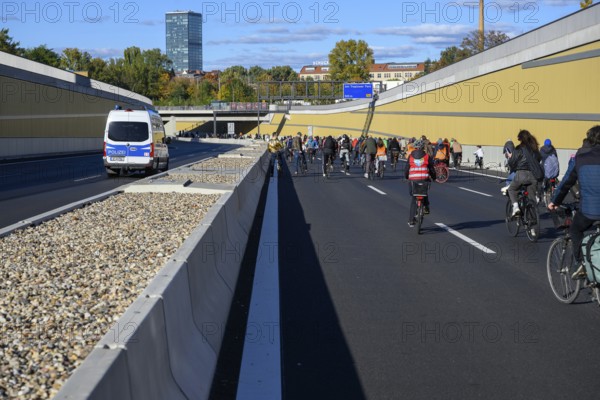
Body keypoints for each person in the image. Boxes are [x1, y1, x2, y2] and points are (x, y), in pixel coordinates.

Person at [549, 126, 600, 278]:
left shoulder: (580, 157)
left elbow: (566, 183)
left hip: (589, 211)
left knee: (575, 230)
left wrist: (554, 201)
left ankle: (580, 264)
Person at [506, 130, 542, 217]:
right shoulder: (535, 149)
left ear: (521, 139)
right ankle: (534, 227)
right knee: (531, 199)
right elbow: (538, 160)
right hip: (534, 176)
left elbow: (512, 163)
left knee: (511, 189)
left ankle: (516, 207)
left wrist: (510, 157)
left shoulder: (519, 149)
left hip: (521, 174)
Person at [405, 139, 436, 227]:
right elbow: (431, 169)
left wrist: (407, 176)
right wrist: (434, 177)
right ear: (423, 147)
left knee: (414, 198)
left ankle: (411, 220)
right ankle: (426, 206)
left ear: (415, 147)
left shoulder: (410, 156)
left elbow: (407, 169)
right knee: (424, 192)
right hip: (424, 179)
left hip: (413, 180)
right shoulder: (427, 156)